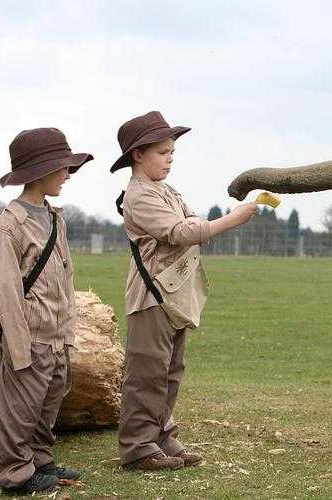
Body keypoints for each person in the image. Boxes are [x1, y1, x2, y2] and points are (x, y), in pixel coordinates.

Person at [111, 111, 259, 471]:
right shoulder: (140, 196)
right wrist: (231, 220)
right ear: (138, 155)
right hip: (152, 297)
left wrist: (197, 226)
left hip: (174, 293)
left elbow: (190, 222)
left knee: (170, 369)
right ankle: (137, 447)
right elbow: (182, 232)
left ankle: (162, 435)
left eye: (172, 151)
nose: (170, 158)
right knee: (147, 372)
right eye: (163, 152)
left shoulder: (165, 190)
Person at [0, 128, 93, 493]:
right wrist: (19, 349)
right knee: (18, 411)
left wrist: (68, 334)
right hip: (29, 338)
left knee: (45, 407)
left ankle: (40, 461)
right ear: (39, 171)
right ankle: (15, 475)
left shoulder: (54, 217)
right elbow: (6, 293)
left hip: (55, 335)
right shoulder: (9, 226)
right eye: (62, 167)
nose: (67, 174)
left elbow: (64, 278)